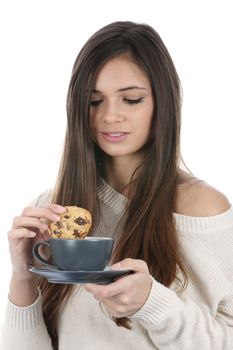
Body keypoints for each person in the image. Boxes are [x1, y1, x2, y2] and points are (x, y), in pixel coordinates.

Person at [2, 21, 233, 350]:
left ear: (162, 102)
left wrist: (151, 303)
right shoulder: (54, 209)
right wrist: (23, 276)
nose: (110, 116)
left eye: (131, 99)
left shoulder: (202, 207)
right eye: (95, 101)